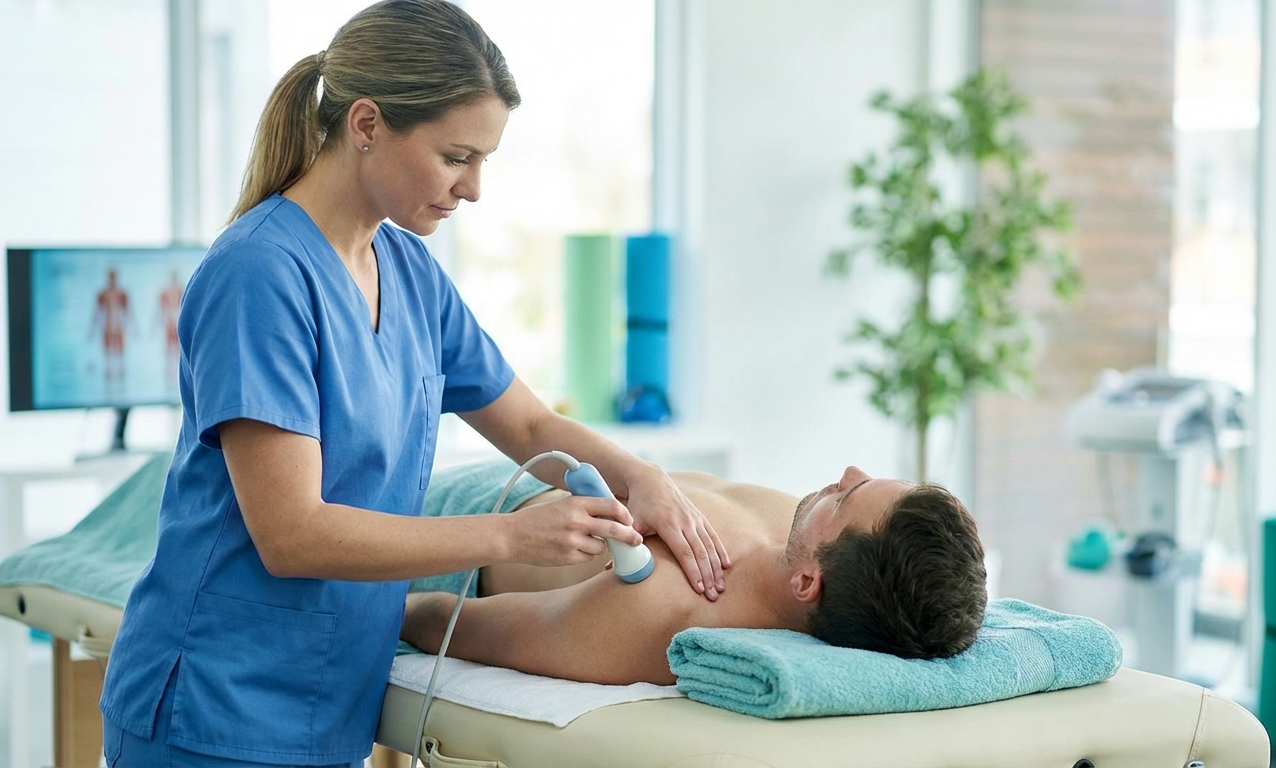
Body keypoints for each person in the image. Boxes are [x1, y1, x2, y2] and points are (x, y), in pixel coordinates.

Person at [98, 3, 728, 766]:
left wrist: (641, 477)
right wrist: (508, 536)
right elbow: (291, 533)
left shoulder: (409, 273)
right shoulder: (259, 275)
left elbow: (530, 427)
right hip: (213, 706)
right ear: (366, 124)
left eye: (484, 160)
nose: (475, 189)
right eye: (457, 156)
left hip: (328, 702)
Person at [401, 464, 989, 686]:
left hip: (453, 531)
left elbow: (440, 622)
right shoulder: (799, 538)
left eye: (846, 498)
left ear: (808, 585)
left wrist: (364, 590)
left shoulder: (661, 613)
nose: (847, 471)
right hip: (521, 475)